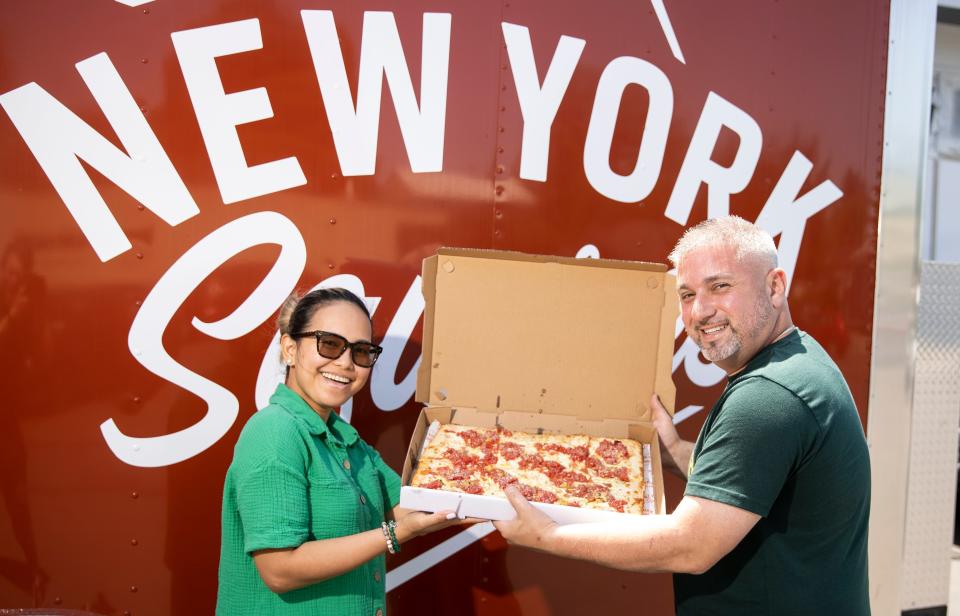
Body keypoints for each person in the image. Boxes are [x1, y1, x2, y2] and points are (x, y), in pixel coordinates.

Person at [493, 216, 871, 615]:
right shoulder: (798, 362)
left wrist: (547, 535)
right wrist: (672, 449)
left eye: (720, 286)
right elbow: (753, 479)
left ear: (775, 286)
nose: (701, 311)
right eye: (687, 295)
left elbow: (691, 545)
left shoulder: (766, 398)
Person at [217, 288, 463, 615]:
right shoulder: (274, 432)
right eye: (329, 344)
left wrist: (496, 493)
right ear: (290, 349)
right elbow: (279, 570)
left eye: (361, 352)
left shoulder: (349, 442)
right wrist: (394, 534)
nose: (346, 363)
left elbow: (414, 508)